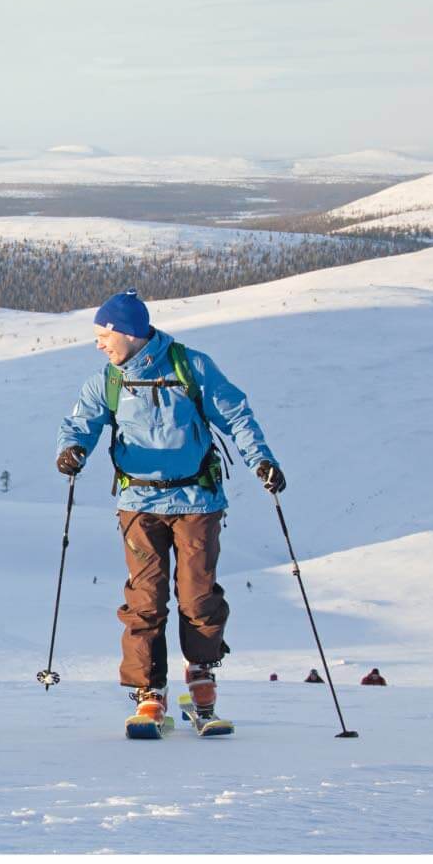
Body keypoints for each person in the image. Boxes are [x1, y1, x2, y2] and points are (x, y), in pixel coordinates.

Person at [54, 289, 284, 734]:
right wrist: (72, 450)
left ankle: (200, 677)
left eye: (104, 334)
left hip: (197, 500)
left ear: (129, 333)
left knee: (198, 594)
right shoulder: (108, 380)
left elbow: (235, 415)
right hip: (138, 504)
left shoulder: (191, 366)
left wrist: (261, 460)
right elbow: (79, 423)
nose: (99, 343)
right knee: (146, 599)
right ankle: (148, 694)